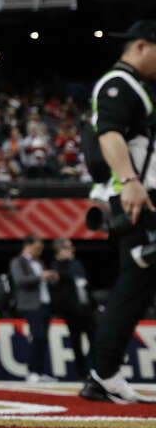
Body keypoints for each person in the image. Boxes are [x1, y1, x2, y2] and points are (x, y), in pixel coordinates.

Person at [80, 21, 156, 403]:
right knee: (134, 283)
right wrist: (130, 181)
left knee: (137, 285)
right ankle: (103, 371)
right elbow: (108, 133)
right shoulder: (118, 84)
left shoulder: (135, 87)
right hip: (137, 196)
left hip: (140, 194)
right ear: (141, 46)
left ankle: (104, 372)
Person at [9, 235, 57, 383]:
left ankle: (40, 371)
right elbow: (20, 281)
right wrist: (40, 276)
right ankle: (32, 372)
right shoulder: (18, 262)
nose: (40, 251)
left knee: (43, 339)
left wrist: (51, 278)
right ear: (27, 246)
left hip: (44, 304)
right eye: (37, 248)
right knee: (37, 336)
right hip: (30, 305)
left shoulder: (39, 262)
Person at [50, 239, 92, 380]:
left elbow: (84, 283)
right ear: (60, 250)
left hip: (86, 308)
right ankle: (83, 374)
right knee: (76, 342)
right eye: (68, 248)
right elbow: (57, 287)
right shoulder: (55, 266)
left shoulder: (76, 263)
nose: (72, 250)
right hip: (71, 311)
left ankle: (100, 372)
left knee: (96, 340)